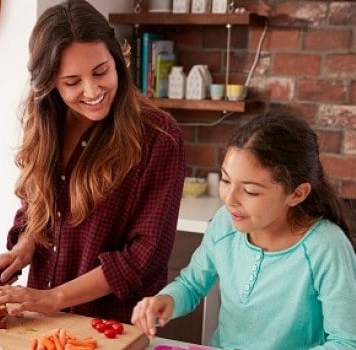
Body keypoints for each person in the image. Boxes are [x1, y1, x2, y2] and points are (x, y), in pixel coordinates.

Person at [0, 0, 185, 324]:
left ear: (116, 60)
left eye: (101, 71)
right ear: (50, 83)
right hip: (41, 322)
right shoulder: (46, 124)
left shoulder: (159, 136)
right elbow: (36, 209)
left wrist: (53, 297)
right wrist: (23, 248)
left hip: (112, 327)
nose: (92, 90)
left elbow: (144, 256)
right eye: (72, 82)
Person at [131, 112, 356, 349]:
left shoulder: (326, 247)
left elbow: (346, 342)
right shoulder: (225, 223)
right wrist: (167, 299)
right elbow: (191, 284)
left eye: (250, 191)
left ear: (297, 194)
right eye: (226, 181)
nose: (230, 200)